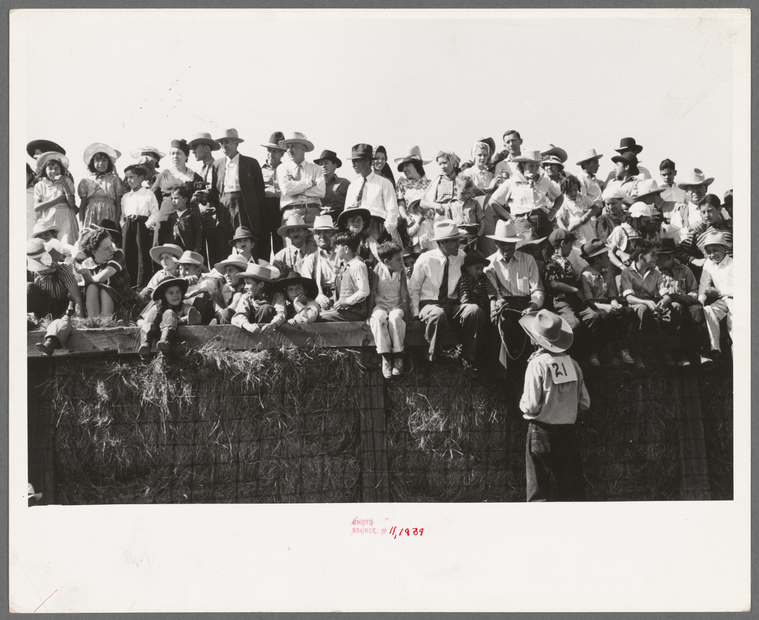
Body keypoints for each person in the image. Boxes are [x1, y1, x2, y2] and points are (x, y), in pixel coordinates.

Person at [518, 309, 590, 502]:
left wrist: (525, 406)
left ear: (537, 339)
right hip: (568, 432)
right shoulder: (573, 364)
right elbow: (585, 403)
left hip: (542, 432)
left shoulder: (537, 364)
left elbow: (531, 405)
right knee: (571, 491)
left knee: (539, 494)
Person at [408, 220, 488, 375]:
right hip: (430, 304)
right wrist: (416, 314)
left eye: (458, 240)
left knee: (474, 310)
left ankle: (468, 358)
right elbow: (413, 288)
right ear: (442, 243)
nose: (458, 245)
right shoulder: (426, 259)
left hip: (453, 304)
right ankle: (432, 357)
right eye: (454, 242)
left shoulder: (462, 257)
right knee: (438, 314)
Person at [484, 220, 545, 369]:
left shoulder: (528, 260)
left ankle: (533, 370)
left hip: (526, 303)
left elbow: (537, 290)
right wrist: (499, 302)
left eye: (510, 244)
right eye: (503, 244)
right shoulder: (490, 263)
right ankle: (505, 376)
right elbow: (494, 292)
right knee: (504, 327)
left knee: (534, 326)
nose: (507, 247)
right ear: (496, 244)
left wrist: (533, 305)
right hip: (505, 304)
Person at [542, 229, 602, 363]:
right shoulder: (550, 263)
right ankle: (574, 357)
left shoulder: (567, 262)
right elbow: (554, 283)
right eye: (570, 244)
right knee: (574, 324)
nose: (571, 248)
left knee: (594, 317)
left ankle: (591, 352)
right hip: (562, 300)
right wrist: (574, 290)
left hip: (575, 300)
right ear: (563, 243)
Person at [579, 240, 633, 366]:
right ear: (597, 259)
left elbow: (611, 294)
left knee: (626, 312)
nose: (609, 258)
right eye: (606, 256)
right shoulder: (586, 275)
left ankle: (622, 348)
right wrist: (606, 307)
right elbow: (589, 301)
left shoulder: (608, 272)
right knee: (605, 317)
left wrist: (615, 304)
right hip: (595, 306)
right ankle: (601, 352)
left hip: (608, 303)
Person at [212, 128, 267, 251]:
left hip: (244, 206)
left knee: (244, 239)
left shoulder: (251, 163)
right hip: (224, 206)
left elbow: (259, 192)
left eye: (228, 142)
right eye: (222, 143)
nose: (225, 146)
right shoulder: (217, 165)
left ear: (237, 143)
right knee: (223, 241)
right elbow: (215, 192)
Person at [656, 238, 708, 366]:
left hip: (686, 302)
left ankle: (698, 351)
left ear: (670, 257)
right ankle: (677, 352)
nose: (656, 260)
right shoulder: (655, 272)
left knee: (697, 310)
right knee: (676, 306)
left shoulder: (684, 269)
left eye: (659, 257)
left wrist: (686, 297)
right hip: (666, 306)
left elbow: (694, 291)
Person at [489, 149, 561, 239]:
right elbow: (493, 201)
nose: (534, 169)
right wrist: (511, 217)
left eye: (537, 166)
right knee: (526, 249)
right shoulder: (512, 182)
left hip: (543, 220)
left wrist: (552, 213)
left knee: (546, 250)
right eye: (531, 166)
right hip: (523, 222)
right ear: (523, 164)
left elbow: (559, 197)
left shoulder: (544, 180)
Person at [619, 240, 668, 368]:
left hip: (651, 304)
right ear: (641, 257)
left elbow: (665, 294)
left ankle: (667, 352)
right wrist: (646, 302)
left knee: (674, 308)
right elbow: (629, 297)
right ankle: (637, 352)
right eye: (653, 255)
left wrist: (664, 301)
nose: (657, 258)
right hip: (635, 305)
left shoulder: (656, 273)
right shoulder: (627, 273)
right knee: (642, 308)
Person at [368, 241, 411, 379]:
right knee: (378, 318)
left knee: (395, 318)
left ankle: (398, 356)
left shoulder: (401, 270)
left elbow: (404, 292)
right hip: (381, 305)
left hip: (396, 306)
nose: (401, 261)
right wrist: (369, 314)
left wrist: (407, 313)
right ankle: (385, 356)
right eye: (398, 259)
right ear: (386, 261)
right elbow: (372, 291)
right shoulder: (378, 269)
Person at [343, 143, 400, 243]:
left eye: (356, 161)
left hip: (377, 228)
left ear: (366, 161)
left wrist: (384, 231)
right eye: (353, 161)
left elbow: (392, 210)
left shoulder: (384, 183)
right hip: (356, 229)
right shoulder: (353, 186)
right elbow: (347, 211)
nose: (353, 165)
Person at [151, 139, 203, 246]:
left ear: (186, 156)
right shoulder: (163, 175)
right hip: (165, 219)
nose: (175, 156)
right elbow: (152, 197)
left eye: (178, 153)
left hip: (186, 223)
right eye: (173, 153)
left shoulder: (195, 177)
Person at [78, 226, 135, 321]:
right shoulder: (87, 263)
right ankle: (94, 322)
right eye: (106, 248)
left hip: (122, 302)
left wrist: (87, 276)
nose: (111, 250)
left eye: (111, 246)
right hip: (99, 304)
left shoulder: (118, 255)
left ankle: (105, 323)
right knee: (91, 288)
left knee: (105, 290)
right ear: (94, 251)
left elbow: (101, 278)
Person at [138, 277, 201, 359]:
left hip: (171, 336)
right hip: (156, 332)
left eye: (178, 291)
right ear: (164, 296)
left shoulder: (184, 306)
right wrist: (152, 323)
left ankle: (164, 342)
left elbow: (195, 316)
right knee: (155, 313)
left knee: (169, 313)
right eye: (170, 293)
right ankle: (145, 345)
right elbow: (142, 321)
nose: (175, 295)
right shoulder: (158, 308)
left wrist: (179, 320)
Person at [121, 163, 160, 288]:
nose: (129, 180)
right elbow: (123, 215)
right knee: (127, 254)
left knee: (142, 255)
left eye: (132, 177)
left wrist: (146, 226)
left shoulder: (148, 194)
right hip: (128, 226)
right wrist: (124, 226)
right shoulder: (126, 197)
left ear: (141, 178)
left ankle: (141, 285)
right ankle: (128, 284)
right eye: (127, 178)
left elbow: (155, 213)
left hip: (141, 226)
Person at [188, 132, 224, 267]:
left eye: (196, 148)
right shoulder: (198, 170)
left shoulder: (218, 167)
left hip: (214, 218)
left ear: (206, 148)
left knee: (217, 255)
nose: (193, 152)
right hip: (200, 218)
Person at [277, 131, 325, 230]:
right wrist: (309, 183)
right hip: (292, 212)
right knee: (292, 245)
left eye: (293, 146)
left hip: (313, 212)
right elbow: (286, 189)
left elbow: (321, 191)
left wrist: (295, 188)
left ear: (303, 148)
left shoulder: (316, 169)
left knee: (313, 243)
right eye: (288, 147)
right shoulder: (282, 168)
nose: (289, 150)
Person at [698, 231, 733, 365]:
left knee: (734, 331)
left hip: (737, 301)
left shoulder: (733, 264)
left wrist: (719, 293)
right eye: (709, 251)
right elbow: (703, 284)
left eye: (716, 250)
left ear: (724, 249)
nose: (712, 255)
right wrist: (700, 302)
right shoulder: (709, 263)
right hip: (723, 301)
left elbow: (743, 290)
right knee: (708, 309)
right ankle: (715, 349)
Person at [319, 232, 370, 322]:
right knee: (317, 313)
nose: (335, 251)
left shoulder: (358, 265)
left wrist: (346, 301)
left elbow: (364, 291)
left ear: (346, 249)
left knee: (319, 317)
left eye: (337, 248)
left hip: (355, 312)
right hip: (346, 311)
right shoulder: (344, 267)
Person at [33, 151, 79, 246]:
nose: (53, 171)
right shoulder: (40, 185)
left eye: (56, 168)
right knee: (50, 246)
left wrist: (64, 184)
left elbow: (71, 204)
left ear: (61, 169)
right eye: (50, 168)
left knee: (67, 244)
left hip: (66, 217)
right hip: (48, 218)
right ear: (45, 170)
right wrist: (58, 199)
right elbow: (37, 207)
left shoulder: (67, 181)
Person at [77, 143, 126, 228]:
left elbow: (118, 204)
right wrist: (81, 224)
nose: (101, 163)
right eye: (97, 160)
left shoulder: (115, 180)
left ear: (109, 162)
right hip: (91, 214)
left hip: (110, 215)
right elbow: (83, 205)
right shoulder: (86, 181)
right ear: (92, 162)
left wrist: (116, 222)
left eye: (104, 160)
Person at [232, 263, 286, 334]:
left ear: (261, 284)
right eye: (245, 283)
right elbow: (238, 315)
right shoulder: (246, 297)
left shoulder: (277, 296)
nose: (245, 287)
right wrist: (248, 325)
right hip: (250, 335)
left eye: (248, 283)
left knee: (266, 308)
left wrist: (273, 324)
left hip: (271, 334)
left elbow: (282, 314)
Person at [300, 215, 341, 311]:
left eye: (326, 232)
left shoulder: (342, 255)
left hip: (341, 299)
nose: (322, 235)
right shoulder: (310, 259)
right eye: (318, 232)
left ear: (333, 234)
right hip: (319, 301)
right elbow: (307, 287)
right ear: (314, 236)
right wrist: (320, 298)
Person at [259, 131, 287, 258]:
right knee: (263, 245)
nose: (271, 154)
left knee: (280, 245)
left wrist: (276, 192)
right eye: (269, 150)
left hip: (280, 210)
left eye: (275, 151)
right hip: (264, 210)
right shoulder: (259, 170)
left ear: (282, 154)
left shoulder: (287, 170)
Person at [394, 145, 432, 235]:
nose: (404, 169)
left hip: (431, 225)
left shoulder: (430, 183)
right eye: (403, 166)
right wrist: (406, 218)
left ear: (416, 165)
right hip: (413, 226)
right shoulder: (402, 184)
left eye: (407, 165)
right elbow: (401, 205)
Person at [554, 174, 599, 247]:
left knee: (592, 247)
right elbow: (559, 219)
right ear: (564, 190)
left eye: (575, 189)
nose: (573, 193)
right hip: (575, 231)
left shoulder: (583, 198)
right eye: (570, 191)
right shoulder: (563, 202)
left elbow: (596, 208)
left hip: (588, 228)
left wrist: (588, 215)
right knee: (580, 250)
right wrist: (566, 232)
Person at [420, 150, 460, 222]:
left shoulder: (461, 179)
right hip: (442, 219)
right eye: (440, 164)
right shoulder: (438, 180)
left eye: (444, 163)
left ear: (452, 162)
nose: (442, 167)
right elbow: (422, 203)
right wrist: (434, 205)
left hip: (459, 217)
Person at [314, 149, 350, 224]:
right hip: (320, 222)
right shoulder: (314, 185)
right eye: (320, 164)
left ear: (335, 166)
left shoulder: (344, 183)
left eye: (326, 163)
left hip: (339, 223)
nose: (323, 166)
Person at [211, 254, 249, 324]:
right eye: (225, 271)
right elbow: (218, 309)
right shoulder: (223, 288)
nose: (227, 274)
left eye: (230, 271)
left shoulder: (248, 287)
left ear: (241, 273)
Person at [458, 250, 496, 317]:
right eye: (477, 268)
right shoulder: (464, 280)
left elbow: (491, 291)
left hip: (486, 309)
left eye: (482, 269)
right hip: (474, 313)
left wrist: (492, 305)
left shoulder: (483, 278)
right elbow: (464, 298)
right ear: (467, 267)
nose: (480, 271)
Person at [170, 185, 203, 254]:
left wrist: (196, 249)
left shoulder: (191, 215)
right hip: (175, 249)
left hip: (188, 249)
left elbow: (198, 232)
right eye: (172, 199)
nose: (173, 201)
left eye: (176, 198)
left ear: (185, 199)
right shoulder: (172, 216)